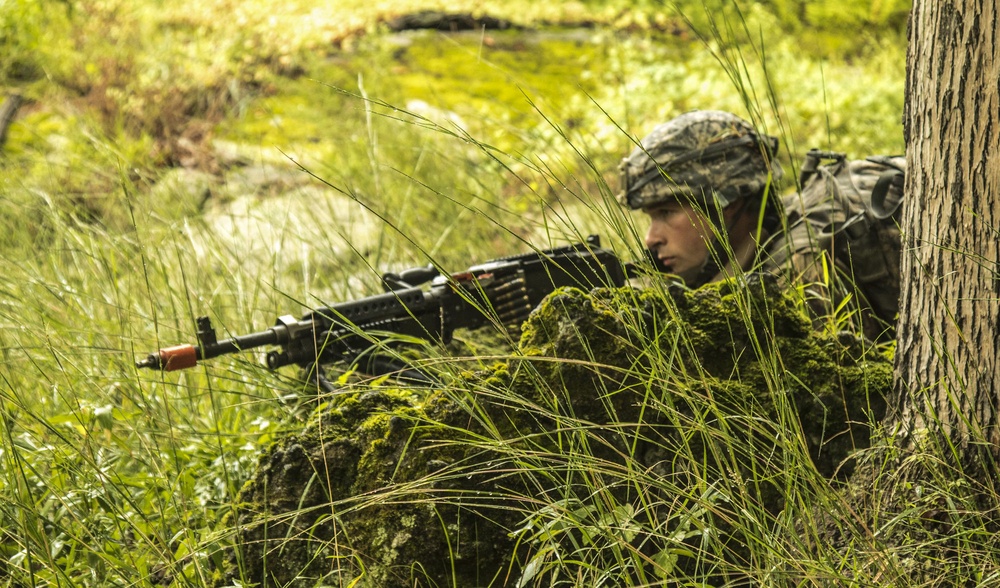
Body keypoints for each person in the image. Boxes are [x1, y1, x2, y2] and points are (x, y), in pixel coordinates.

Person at [618, 109, 894, 341]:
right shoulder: (766, 233)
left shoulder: (796, 276)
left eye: (666, 213)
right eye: (650, 217)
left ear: (727, 202)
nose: (650, 239)